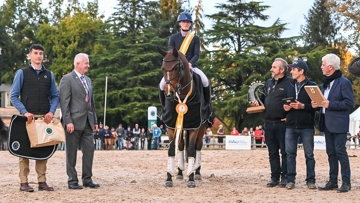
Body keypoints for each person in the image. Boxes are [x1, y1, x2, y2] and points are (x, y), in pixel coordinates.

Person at [10, 44, 59, 192]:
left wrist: (51, 111)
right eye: (36, 53)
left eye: (41, 54)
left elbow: (55, 96)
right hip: (27, 119)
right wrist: (24, 112)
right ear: (30, 55)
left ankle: (42, 181)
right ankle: (24, 182)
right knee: (24, 152)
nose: (38, 56)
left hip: (44, 119)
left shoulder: (49, 74)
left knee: (42, 151)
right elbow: (13, 96)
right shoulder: (21, 73)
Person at [312, 54, 354, 193]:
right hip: (327, 123)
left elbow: (349, 103)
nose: (321, 67)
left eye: (323, 64)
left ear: (330, 67)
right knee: (331, 153)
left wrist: (331, 104)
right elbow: (324, 102)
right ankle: (333, 181)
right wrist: (317, 104)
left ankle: (346, 182)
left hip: (339, 123)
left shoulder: (344, 82)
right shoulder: (325, 82)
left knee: (341, 152)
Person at [59, 53, 100, 189]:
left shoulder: (88, 80)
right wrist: (67, 121)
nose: (88, 65)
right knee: (71, 153)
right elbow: (64, 103)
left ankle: (87, 179)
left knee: (89, 151)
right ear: (77, 64)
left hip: (88, 121)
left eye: (88, 63)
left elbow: (91, 102)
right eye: (86, 63)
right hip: (73, 122)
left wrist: (94, 120)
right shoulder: (67, 79)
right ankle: (72, 180)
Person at [250, 58, 292, 188]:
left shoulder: (290, 83)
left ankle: (285, 177)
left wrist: (289, 116)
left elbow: (291, 102)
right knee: (272, 152)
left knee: (285, 152)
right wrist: (256, 103)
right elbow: (263, 100)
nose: (271, 69)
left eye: (274, 67)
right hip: (268, 123)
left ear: (282, 70)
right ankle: (274, 177)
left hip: (282, 123)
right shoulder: (268, 83)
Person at [158, 12, 211, 111]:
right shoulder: (173, 38)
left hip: (191, 66)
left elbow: (196, 54)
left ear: (190, 24)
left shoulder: (195, 38)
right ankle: (164, 108)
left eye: (187, 22)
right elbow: (171, 53)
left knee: (205, 81)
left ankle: (207, 107)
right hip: (176, 68)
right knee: (162, 85)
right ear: (179, 23)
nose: (185, 24)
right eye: (183, 22)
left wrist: (189, 64)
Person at [283, 60, 317, 190]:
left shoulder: (312, 86)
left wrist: (302, 106)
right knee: (290, 154)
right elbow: (285, 103)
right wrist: (285, 107)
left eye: (293, 69)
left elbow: (317, 106)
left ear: (301, 71)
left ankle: (311, 180)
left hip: (306, 126)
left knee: (309, 155)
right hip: (290, 125)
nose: (291, 71)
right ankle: (290, 180)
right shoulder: (289, 86)